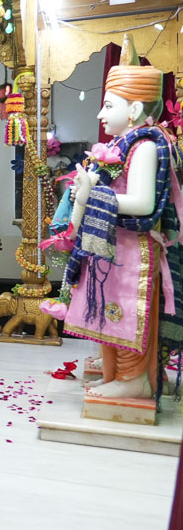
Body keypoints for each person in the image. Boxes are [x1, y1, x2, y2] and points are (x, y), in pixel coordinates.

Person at [57, 35, 183, 400]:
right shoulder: (121, 144)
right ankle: (115, 374)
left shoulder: (144, 146)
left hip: (133, 246)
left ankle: (134, 380)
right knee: (107, 311)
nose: (100, 114)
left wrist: (91, 194)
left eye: (108, 105)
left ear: (134, 109)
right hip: (114, 245)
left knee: (125, 311)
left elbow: (142, 203)